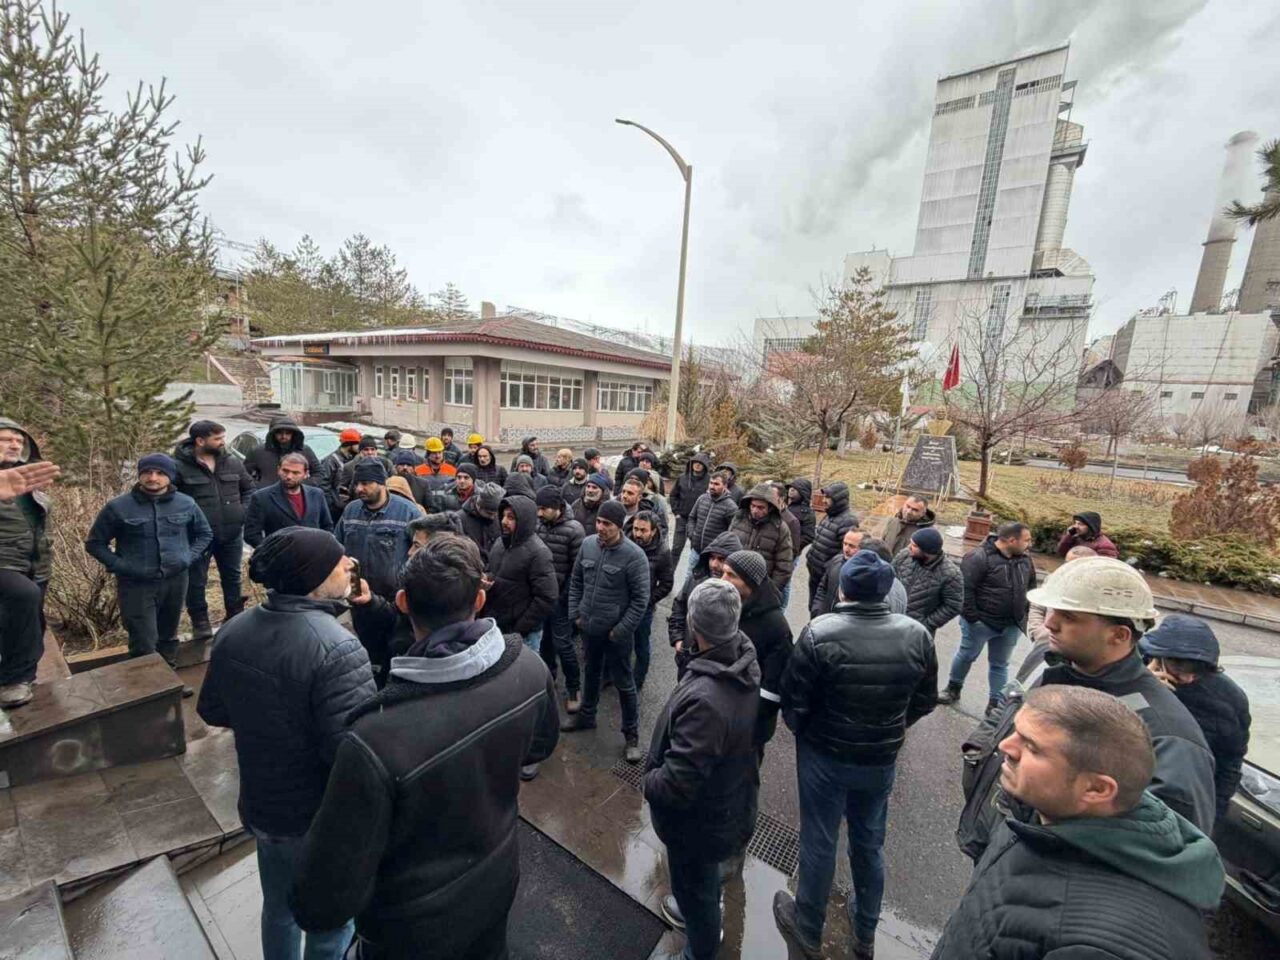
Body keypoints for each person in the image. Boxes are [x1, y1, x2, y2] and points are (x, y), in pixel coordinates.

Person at [290, 535, 560, 960]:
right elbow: (539, 747)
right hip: (497, 881)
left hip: (409, 929)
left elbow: (320, 903)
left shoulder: (374, 738)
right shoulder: (529, 668)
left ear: (401, 602)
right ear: (480, 600)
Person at [956, 557, 1217, 862]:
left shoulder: (1167, 736)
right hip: (995, 847)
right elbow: (1006, 706)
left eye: (1068, 616)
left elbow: (1161, 853)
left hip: (1042, 878)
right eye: (1051, 610)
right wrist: (976, 752)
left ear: (1119, 635)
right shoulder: (1048, 656)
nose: (1050, 623)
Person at [933, 686, 1224, 960]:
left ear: (1096, 789)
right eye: (1015, 732)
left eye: (1031, 747)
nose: (1005, 746)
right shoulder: (1040, 814)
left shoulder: (1103, 947)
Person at [197, 528, 374, 960]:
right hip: (319, 817)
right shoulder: (338, 647)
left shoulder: (234, 629)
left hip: (264, 805)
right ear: (314, 579)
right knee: (331, 924)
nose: (349, 565)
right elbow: (353, 754)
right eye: (338, 561)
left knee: (278, 909)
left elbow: (212, 709)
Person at [775, 551, 937, 960]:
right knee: (869, 843)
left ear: (843, 589)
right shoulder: (917, 634)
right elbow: (925, 700)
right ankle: (865, 933)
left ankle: (808, 927)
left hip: (824, 756)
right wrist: (893, 727)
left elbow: (793, 701)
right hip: (879, 759)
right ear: (886, 591)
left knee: (819, 839)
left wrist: (807, 733)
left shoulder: (819, 632)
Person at [645, 579, 761, 960]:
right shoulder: (741, 656)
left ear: (696, 626)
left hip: (699, 825)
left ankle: (699, 951)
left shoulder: (707, 701)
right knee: (702, 887)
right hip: (725, 802)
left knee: (697, 896)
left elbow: (678, 782)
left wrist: (650, 780)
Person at [85, 454, 212, 688]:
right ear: (139, 474)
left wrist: (187, 557)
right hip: (136, 584)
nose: (153, 478)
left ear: (170, 476)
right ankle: (148, 688)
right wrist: (121, 565)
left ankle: (170, 684)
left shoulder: (186, 503)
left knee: (168, 635)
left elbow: (204, 534)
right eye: (147, 472)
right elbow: (95, 544)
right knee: (143, 639)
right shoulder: (118, 507)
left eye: (160, 473)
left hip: (175, 580)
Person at [562, 499, 650, 762]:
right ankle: (586, 716)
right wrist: (576, 615)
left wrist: (620, 631)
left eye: (607, 524)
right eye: (599, 522)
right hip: (589, 628)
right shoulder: (588, 545)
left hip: (616, 635)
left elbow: (640, 601)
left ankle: (631, 736)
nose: (600, 527)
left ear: (620, 526)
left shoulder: (635, 556)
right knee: (590, 673)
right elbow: (576, 581)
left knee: (624, 683)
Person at [1141, 614, 1251, 823]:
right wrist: (1144, 688)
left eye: (1198, 670)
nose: (1188, 677)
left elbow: (1230, 762)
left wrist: (1213, 814)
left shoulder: (1229, 698)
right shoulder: (1131, 676)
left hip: (1188, 805)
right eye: (1179, 667)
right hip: (1138, 794)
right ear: (1157, 658)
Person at [349, 513, 463, 688]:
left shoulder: (457, 593)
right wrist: (370, 601)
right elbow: (396, 616)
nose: (409, 552)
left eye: (416, 545)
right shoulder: (414, 581)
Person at [941, 521, 1036, 712]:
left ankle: (994, 704)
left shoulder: (1025, 560)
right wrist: (973, 619)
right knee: (966, 655)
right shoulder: (978, 557)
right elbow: (964, 589)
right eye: (1026, 540)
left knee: (1000, 664)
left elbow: (1031, 589)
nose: (1030, 544)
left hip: (1011, 626)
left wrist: (1025, 615)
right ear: (1011, 540)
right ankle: (953, 688)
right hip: (981, 624)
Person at [173, 420, 254, 640]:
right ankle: (200, 623)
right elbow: (171, 499)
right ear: (200, 441)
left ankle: (235, 618)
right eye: (217, 438)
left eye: (222, 437)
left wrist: (242, 512)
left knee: (232, 576)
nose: (222, 442)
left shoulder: (232, 462)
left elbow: (248, 489)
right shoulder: (179, 466)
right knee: (196, 580)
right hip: (197, 537)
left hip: (231, 533)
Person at [0, 418, 54, 708]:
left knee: (32, 621)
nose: (14, 444)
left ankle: (25, 674)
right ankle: (14, 679)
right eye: (6, 439)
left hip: (35, 562)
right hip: (4, 562)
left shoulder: (27, 479)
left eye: (19, 441)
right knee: (24, 596)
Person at [721, 550, 793, 756]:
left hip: (747, 731)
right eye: (724, 572)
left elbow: (772, 691)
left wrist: (743, 722)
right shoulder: (728, 605)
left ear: (751, 582)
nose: (723, 579)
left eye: (731, 575)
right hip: (718, 717)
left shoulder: (776, 628)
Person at [481, 496, 559, 660]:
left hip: (524, 635)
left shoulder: (539, 553)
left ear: (524, 521)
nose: (504, 521)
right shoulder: (500, 543)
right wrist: (487, 578)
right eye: (503, 516)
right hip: (499, 626)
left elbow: (547, 597)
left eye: (511, 517)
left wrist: (520, 628)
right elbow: (494, 570)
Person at [333, 460, 418, 600]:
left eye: (365, 483)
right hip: (356, 594)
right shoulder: (351, 510)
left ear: (382, 483)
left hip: (393, 598)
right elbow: (337, 547)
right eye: (356, 484)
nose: (359, 489)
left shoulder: (408, 512)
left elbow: (421, 554)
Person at [536, 486, 585, 713]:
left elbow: (577, 572)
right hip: (541, 597)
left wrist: (563, 598)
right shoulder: (539, 525)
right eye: (538, 508)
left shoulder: (574, 530)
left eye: (544, 509)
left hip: (561, 600)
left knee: (563, 644)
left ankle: (574, 688)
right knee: (544, 642)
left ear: (557, 508)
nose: (539, 513)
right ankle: (549, 677)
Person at [669, 532, 742, 678]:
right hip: (687, 659)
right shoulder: (696, 579)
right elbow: (679, 606)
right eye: (712, 557)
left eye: (721, 559)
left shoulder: (737, 594)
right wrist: (677, 639)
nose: (714, 564)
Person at [244, 453, 334, 547]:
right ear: (278, 470)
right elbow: (251, 534)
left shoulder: (317, 494)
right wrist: (271, 551)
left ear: (306, 474)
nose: (289, 476)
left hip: (312, 552)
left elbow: (327, 526)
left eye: (295, 473)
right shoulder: (262, 497)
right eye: (285, 471)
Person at [628, 510, 673, 691]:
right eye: (635, 529)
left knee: (641, 645)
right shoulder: (627, 541)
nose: (638, 534)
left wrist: (648, 600)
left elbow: (667, 584)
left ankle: (637, 680)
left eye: (643, 530)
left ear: (653, 531)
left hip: (643, 609)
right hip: (622, 602)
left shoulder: (662, 552)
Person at [813, 531, 908, 617]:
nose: (846, 549)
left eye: (852, 546)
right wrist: (817, 611)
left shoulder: (874, 583)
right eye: (845, 544)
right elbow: (822, 588)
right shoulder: (836, 562)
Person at [892, 528, 963, 637]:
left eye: (914, 545)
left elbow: (953, 606)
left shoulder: (951, 574)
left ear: (927, 550)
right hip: (891, 623)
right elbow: (889, 579)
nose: (909, 547)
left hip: (916, 633)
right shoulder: (904, 555)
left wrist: (926, 625)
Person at [728, 483, 794, 593]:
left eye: (760, 507)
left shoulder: (780, 529)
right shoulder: (738, 519)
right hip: (733, 582)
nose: (755, 510)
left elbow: (784, 567)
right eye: (753, 506)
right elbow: (726, 547)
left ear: (770, 508)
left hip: (760, 588)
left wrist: (770, 592)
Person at [1027, 544, 1095, 648]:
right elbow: (1037, 606)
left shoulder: (1098, 591)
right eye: (1067, 563)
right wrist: (1037, 632)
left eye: (1077, 565)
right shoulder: (1052, 579)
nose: (1070, 568)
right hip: (1044, 642)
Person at [804, 481, 858, 610]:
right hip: (815, 574)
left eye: (828, 497)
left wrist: (828, 569)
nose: (824, 500)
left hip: (826, 578)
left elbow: (846, 553)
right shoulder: (829, 515)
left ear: (838, 500)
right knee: (813, 608)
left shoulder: (848, 521)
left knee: (821, 611)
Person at [245, 417, 323, 487]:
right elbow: (244, 474)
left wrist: (300, 484)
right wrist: (258, 486)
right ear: (273, 433)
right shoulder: (258, 451)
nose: (283, 436)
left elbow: (319, 473)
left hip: (295, 494)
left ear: (293, 434)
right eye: (279, 432)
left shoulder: (304, 450)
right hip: (267, 495)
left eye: (288, 433)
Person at [685, 471, 738, 571]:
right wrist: (692, 534)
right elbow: (692, 517)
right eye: (711, 483)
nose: (712, 486)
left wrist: (719, 547)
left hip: (713, 556)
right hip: (696, 551)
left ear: (725, 486)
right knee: (690, 577)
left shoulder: (731, 507)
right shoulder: (702, 499)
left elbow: (732, 532)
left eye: (716, 484)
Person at [669, 453, 710, 567]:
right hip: (682, 519)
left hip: (698, 521)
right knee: (676, 549)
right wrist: (676, 512)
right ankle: (668, 574)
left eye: (700, 463)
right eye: (695, 462)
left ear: (705, 466)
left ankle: (693, 576)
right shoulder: (682, 478)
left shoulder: (709, 481)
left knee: (696, 551)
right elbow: (673, 495)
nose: (697, 465)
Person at [321, 428, 362, 521]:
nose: (359, 447)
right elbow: (324, 485)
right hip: (335, 509)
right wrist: (332, 504)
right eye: (357, 444)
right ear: (349, 444)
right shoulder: (331, 461)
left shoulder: (352, 459)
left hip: (347, 507)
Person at [460, 481, 504, 562]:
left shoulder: (499, 518)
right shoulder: (460, 519)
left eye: (496, 513)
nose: (493, 517)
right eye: (489, 513)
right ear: (479, 506)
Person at [618, 474, 668, 541]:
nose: (624, 496)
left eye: (630, 493)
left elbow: (661, 533)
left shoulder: (651, 512)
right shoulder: (611, 509)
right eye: (623, 491)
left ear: (639, 497)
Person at [786, 478, 816, 555]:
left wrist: (791, 547)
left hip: (792, 552)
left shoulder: (808, 513)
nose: (791, 490)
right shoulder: (786, 506)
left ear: (803, 492)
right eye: (790, 487)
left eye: (795, 489)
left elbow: (808, 537)